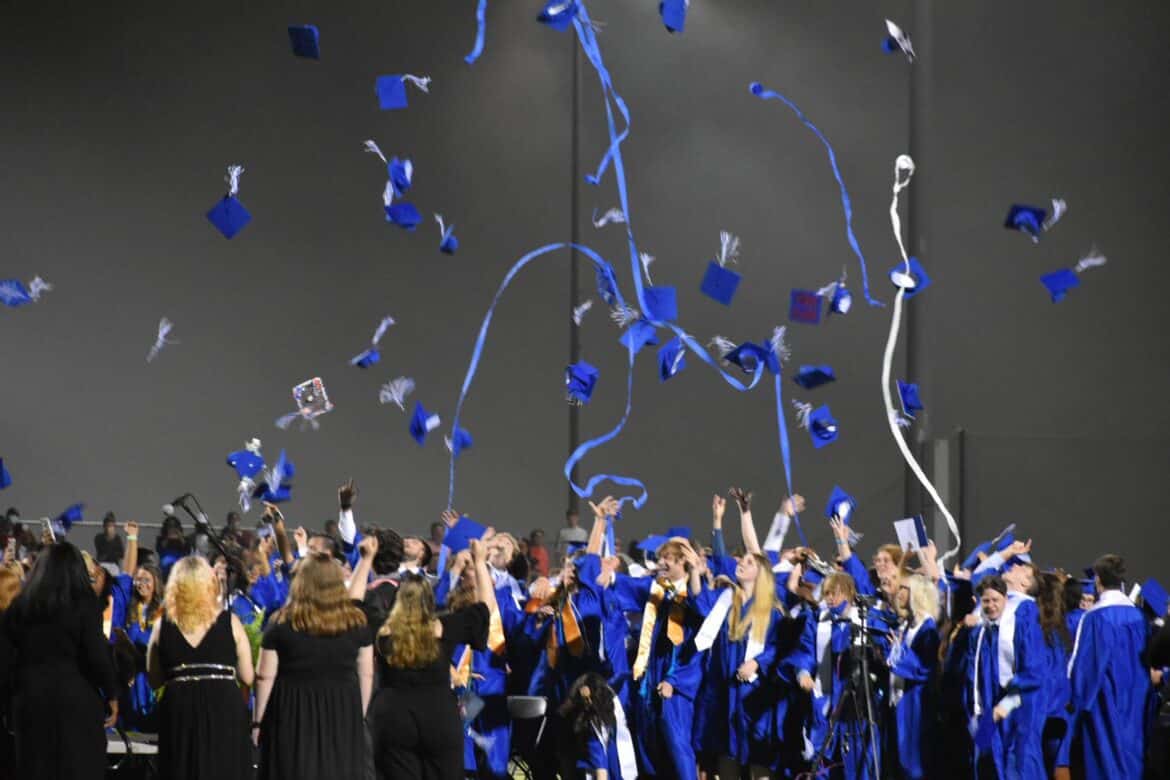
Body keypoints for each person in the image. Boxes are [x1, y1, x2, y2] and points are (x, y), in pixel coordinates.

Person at [370, 541, 492, 780]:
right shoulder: (445, 627)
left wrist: (366, 561)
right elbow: (486, 608)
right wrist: (479, 562)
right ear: (430, 600)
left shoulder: (382, 630)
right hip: (438, 715)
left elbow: (355, 602)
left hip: (393, 716)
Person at [0, 542, 119, 780]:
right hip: (76, 705)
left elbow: (5, 661)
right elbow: (97, 655)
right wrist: (112, 694)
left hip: (31, 704)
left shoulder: (20, 607)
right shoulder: (85, 604)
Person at [254, 551, 374, 780]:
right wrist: (358, 714)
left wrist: (258, 722)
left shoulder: (281, 623)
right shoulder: (357, 622)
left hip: (291, 710)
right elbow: (366, 673)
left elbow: (264, 677)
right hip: (342, 708)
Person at [146, 556, 254, 780]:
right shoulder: (231, 622)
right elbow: (247, 676)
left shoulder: (161, 626)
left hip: (180, 709)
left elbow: (154, 680)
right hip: (224, 707)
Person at [1068, 554, 1149, 779]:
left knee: (1106, 761)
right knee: (1132, 757)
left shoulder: (1095, 617)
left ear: (1098, 580)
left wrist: (1076, 703)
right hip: (1136, 696)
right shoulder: (1139, 616)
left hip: (1105, 699)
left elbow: (1085, 669)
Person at [889, 572, 941, 780]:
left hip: (916, 700)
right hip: (901, 697)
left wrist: (899, 653)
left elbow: (924, 667)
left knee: (914, 759)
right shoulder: (907, 625)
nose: (899, 593)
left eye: (905, 588)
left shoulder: (928, 629)